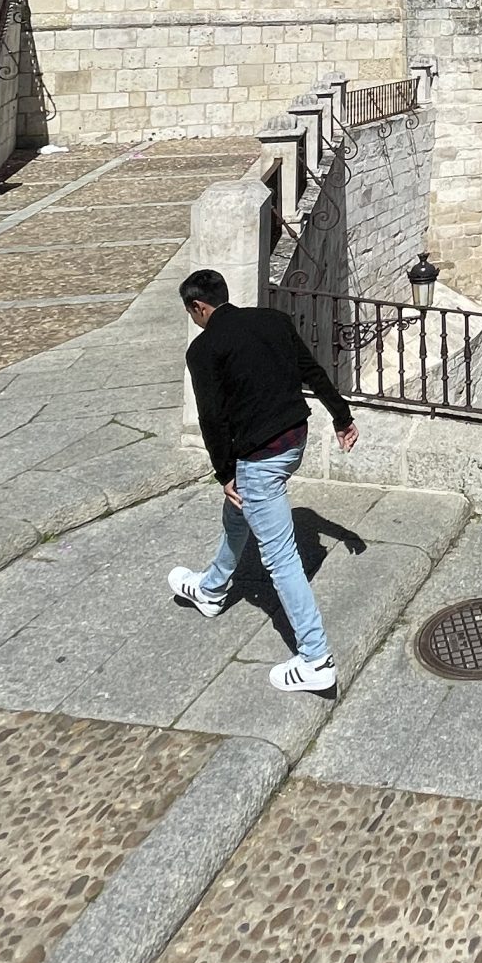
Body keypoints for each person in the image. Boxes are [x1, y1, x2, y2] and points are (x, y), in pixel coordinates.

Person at [169, 268, 360, 695]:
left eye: (191, 312)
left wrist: (224, 473)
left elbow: (211, 418)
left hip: (260, 457)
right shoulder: (272, 320)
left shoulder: (203, 350)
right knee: (239, 513)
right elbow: (311, 369)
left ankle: (316, 658)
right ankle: (212, 588)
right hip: (296, 439)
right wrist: (342, 416)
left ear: (199, 307)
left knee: (280, 557)